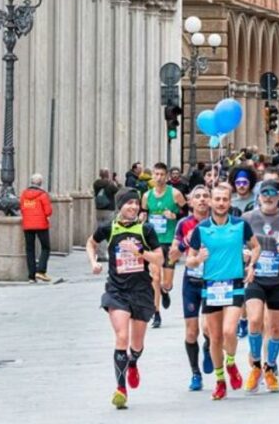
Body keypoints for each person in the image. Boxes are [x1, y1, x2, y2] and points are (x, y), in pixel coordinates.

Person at [86, 188, 164, 409]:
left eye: (136, 203)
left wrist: (139, 252)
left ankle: (133, 363)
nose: (133, 207)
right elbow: (90, 243)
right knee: (122, 336)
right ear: (120, 206)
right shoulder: (109, 228)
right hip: (117, 290)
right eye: (128, 203)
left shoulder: (146, 230)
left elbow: (159, 258)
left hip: (141, 291)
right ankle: (121, 389)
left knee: (136, 344)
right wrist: (93, 262)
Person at [185, 184, 261, 400]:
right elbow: (189, 260)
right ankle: (220, 381)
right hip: (210, 288)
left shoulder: (240, 225)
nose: (220, 203)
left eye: (224, 199)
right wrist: (198, 259)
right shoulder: (201, 229)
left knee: (229, 331)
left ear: (229, 201)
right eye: (216, 199)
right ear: (210, 202)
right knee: (215, 336)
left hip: (234, 284)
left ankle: (230, 363)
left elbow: (255, 247)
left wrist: (251, 265)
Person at [242, 180, 279, 393]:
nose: (268, 197)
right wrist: (243, 254)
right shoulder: (248, 218)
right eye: (265, 193)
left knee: (275, 329)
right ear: (259, 196)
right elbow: (237, 243)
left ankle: (270, 367)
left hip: (278, 280)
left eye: (273, 193)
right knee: (254, 320)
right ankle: (255, 365)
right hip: (256, 278)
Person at [170, 185, 212, 391]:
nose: (202, 200)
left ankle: (209, 346)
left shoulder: (218, 222)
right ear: (190, 202)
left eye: (206, 196)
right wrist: (187, 241)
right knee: (191, 331)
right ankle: (195, 373)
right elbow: (172, 255)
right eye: (198, 197)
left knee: (209, 329)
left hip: (213, 281)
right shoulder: (184, 224)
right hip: (192, 282)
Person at [142, 163, 187, 328]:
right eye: (156, 174)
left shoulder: (175, 194)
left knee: (166, 283)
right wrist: (142, 218)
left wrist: (174, 215)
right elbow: (144, 212)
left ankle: (165, 290)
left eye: (162, 174)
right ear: (153, 175)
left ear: (167, 176)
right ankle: (156, 313)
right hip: (153, 242)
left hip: (169, 240)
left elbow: (186, 212)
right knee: (155, 277)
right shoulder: (147, 196)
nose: (159, 177)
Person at [20, 173, 53, 283]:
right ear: (40, 183)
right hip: (41, 225)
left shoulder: (24, 194)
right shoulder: (43, 195)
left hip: (28, 225)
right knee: (45, 247)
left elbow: (22, 208)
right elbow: (48, 211)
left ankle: (31, 276)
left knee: (30, 249)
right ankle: (41, 271)